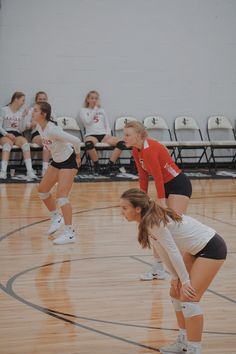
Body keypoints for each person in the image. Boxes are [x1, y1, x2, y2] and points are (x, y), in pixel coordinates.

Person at [120, 188, 227, 354]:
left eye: (124, 208)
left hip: (212, 248)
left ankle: (194, 348)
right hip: (194, 250)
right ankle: (183, 341)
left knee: (189, 298)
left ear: (137, 209)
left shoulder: (153, 222)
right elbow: (163, 252)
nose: (122, 212)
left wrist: (184, 281)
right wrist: (176, 277)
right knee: (175, 293)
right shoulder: (147, 222)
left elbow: (173, 251)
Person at [124, 121, 192, 281]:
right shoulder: (136, 150)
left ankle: (187, 267)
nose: (124, 138)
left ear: (139, 136)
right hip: (165, 186)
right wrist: (142, 197)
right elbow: (143, 175)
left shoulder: (150, 148)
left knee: (174, 227)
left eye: (127, 135)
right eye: (124, 134)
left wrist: (161, 201)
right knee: (154, 226)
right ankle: (158, 268)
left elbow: (158, 176)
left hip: (178, 185)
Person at [33, 101, 81, 245]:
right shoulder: (39, 127)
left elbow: (76, 140)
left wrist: (78, 156)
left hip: (68, 161)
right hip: (57, 161)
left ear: (44, 114)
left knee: (62, 197)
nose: (32, 112)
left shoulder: (52, 129)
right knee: (42, 190)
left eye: (35, 110)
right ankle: (56, 217)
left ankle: (69, 233)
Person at [79, 91, 126, 175]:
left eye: (96, 98)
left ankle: (109, 166)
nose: (94, 100)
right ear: (88, 100)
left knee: (121, 143)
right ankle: (97, 166)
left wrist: (108, 134)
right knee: (89, 143)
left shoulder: (102, 111)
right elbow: (87, 122)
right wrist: (95, 109)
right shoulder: (83, 110)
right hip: (91, 135)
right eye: (92, 98)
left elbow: (107, 124)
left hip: (104, 135)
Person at [0, 91, 37, 180]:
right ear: (16, 99)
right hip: (4, 132)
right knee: (7, 145)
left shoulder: (21, 112)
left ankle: (30, 171)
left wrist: (24, 116)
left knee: (25, 144)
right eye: (22, 100)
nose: (24, 103)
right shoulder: (4, 110)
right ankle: (3, 172)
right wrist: (7, 134)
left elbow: (21, 129)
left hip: (16, 133)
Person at [26, 91, 56, 176]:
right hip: (37, 134)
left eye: (44, 99)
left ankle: (53, 168)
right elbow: (26, 125)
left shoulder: (51, 110)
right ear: (36, 100)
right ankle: (45, 169)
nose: (42, 101)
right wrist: (33, 123)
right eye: (40, 99)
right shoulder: (32, 110)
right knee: (47, 143)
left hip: (50, 134)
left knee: (53, 142)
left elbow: (56, 124)